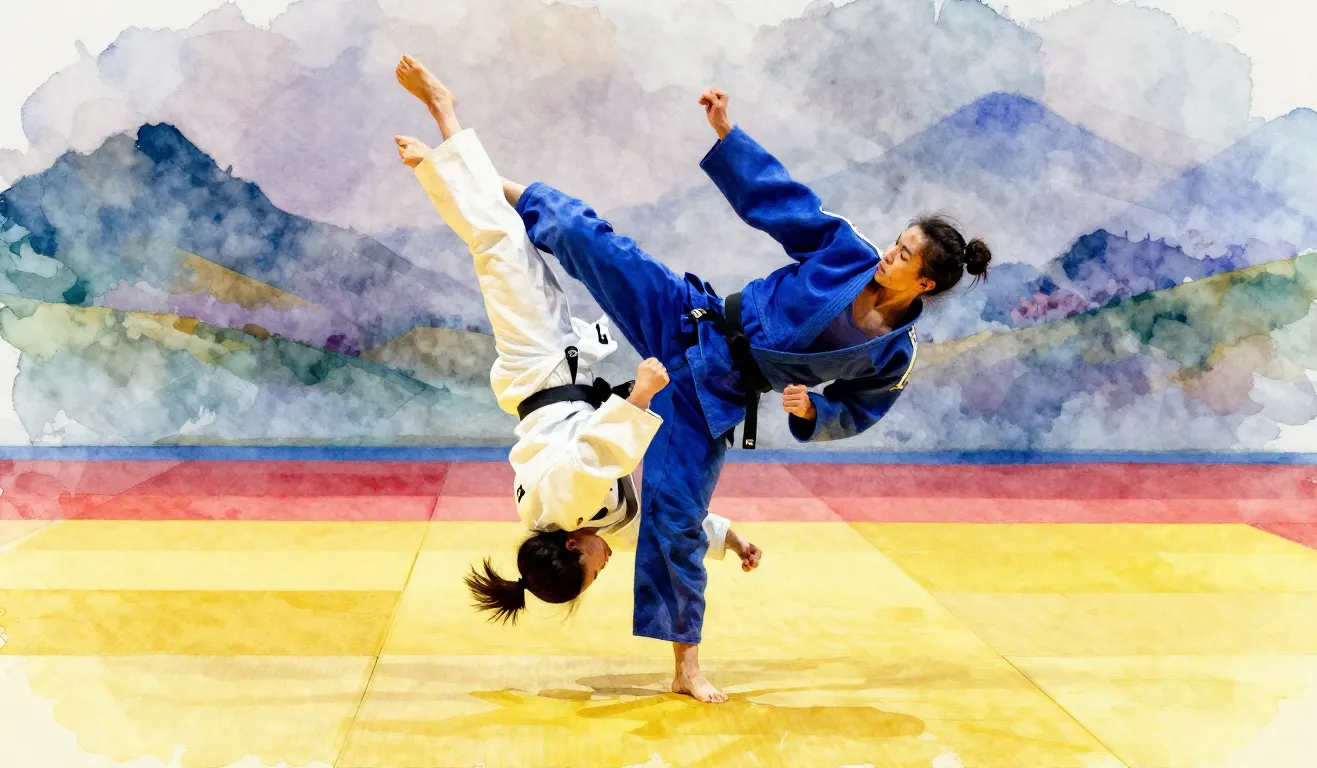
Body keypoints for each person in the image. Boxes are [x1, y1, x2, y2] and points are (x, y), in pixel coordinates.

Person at [509, 83, 995, 700]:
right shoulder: (848, 252)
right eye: (897, 243)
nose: (888, 255)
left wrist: (814, 408)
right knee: (595, 243)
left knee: (676, 520)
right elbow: (786, 203)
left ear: (923, 283)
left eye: (903, 257)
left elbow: (858, 410)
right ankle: (494, 189)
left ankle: (685, 666)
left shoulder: (893, 351)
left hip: (716, 394)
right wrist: (726, 134)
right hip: (695, 320)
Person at [392, 56, 761, 704]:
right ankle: (441, 163)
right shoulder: (597, 518)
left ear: (571, 546)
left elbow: (595, 455)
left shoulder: (562, 504)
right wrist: (728, 538)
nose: (604, 567)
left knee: (498, 245)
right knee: (503, 240)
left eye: (590, 573)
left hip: (535, 361)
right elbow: (665, 522)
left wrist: (641, 396)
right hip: (563, 364)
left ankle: (444, 113)